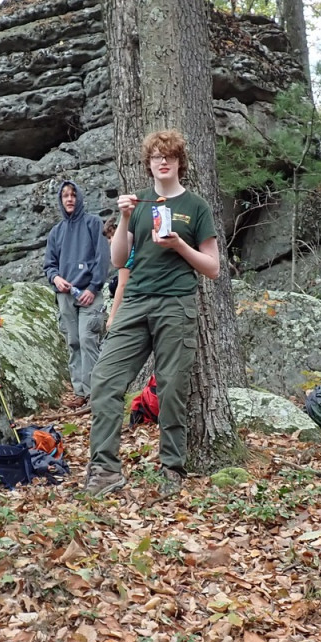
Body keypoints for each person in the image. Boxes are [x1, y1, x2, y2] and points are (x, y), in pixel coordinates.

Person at [84, 131, 220, 496]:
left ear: (179, 163)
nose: (163, 162)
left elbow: (213, 267)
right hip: (135, 301)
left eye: (170, 156)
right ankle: (105, 470)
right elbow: (118, 260)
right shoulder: (139, 203)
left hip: (176, 303)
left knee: (172, 388)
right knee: (104, 381)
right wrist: (124, 217)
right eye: (157, 156)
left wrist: (179, 245)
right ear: (148, 163)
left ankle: (171, 468)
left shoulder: (196, 206)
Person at [43, 179, 108, 403]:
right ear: (60, 200)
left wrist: (93, 287)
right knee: (73, 342)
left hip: (90, 294)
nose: (69, 199)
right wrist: (56, 278)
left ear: (79, 197)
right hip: (65, 296)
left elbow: (102, 258)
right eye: (65, 196)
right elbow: (49, 265)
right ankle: (80, 392)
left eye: (73, 195)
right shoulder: (56, 232)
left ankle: (95, 392)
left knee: (88, 339)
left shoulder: (93, 223)